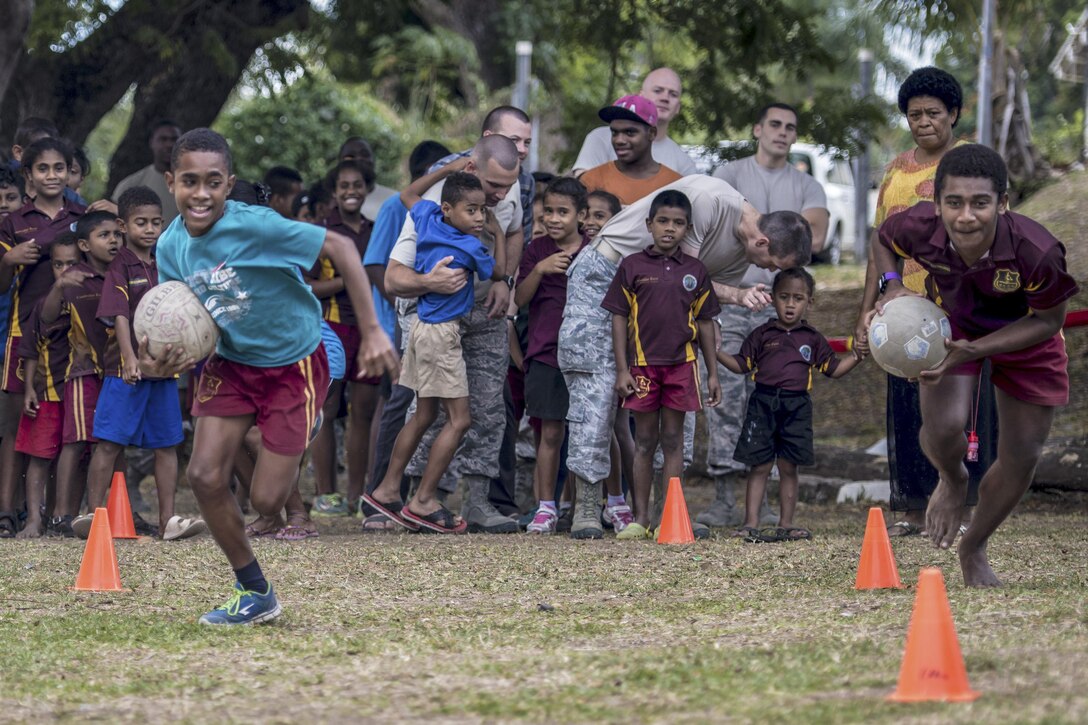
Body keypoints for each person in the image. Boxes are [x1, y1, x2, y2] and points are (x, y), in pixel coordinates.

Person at [142, 128, 396, 625]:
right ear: (170, 182)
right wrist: (163, 360)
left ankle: (308, 420)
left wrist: (371, 331)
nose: (201, 194)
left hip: (292, 363)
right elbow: (184, 320)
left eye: (213, 182)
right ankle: (254, 590)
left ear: (228, 183)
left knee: (266, 500)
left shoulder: (256, 225)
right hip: (232, 362)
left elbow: (343, 248)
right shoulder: (169, 247)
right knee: (205, 474)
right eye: (189, 181)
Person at [558, 175, 811, 540]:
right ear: (762, 240)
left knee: (680, 405)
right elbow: (680, 276)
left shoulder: (743, 250)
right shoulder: (709, 201)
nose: (768, 271)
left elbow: (697, 299)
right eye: (771, 263)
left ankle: (670, 509)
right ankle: (585, 505)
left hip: (665, 314)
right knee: (596, 394)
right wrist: (739, 296)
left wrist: (713, 334)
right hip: (607, 273)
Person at [869, 144, 1077, 587]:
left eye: (981, 203)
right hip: (952, 328)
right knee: (943, 429)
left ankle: (974, 545)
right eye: (955, 202)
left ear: (1002, 203)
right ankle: (951, 478)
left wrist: (978, 350)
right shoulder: (919, 227)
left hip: (1026, 336)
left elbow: (1049, 321)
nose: (966, 216)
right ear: (938, 201)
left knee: (1022, 456)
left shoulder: (1037, 251)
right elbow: (883, 238)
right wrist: (889, 287)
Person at [852, 66, 994, 538]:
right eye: (914, 114)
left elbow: (996, 234)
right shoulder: (894, 169)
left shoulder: (973, 163)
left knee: (962, 411)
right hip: (903, 313)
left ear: (953, 113)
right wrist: (868, 308)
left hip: (961, 310)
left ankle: (967, 505)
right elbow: (880, 244)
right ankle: (913, 509)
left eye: (933, 112)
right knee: (909, 407)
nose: (924, 122)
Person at [697, 102, 830, 529]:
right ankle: (723, 496)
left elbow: (817, 235)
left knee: (778, 400)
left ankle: (768, 501)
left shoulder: (808, 184)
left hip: (781, 306)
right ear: (757, 128)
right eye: (774, 124)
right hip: (733, 299)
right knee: (725, 397)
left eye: (790, 127)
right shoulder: (730, 175)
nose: (782, 132)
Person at [382, 135, 524, 534]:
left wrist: (506, 282)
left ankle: (467, 501)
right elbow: (393, 278)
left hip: (479, 316)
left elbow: (514, 233)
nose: (499, 196)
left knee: (482, 408)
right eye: (492, 186)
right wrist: (430, 280)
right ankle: (423, 498)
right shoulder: (436, 216)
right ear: (471, 168)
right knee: (439, 414)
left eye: (508, 186)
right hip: (435, 322)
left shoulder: (499, 197)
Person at [87, 186, 206, 541]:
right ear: (123, 226)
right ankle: (94, 517)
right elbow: (119, 315)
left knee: (167, 444)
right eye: (141, 223)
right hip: (126, 373)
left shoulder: (166, 262)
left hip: (164, 373)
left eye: (156, 222)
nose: (149, 229)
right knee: (109, 443)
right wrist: (128, 358)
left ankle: (167, 520)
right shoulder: (120, 265)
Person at [603, 190, 722, 539]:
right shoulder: (632, 266)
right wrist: (622, 369)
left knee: (673, 441)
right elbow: (618, 319)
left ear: (687, 229)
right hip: (641, 367)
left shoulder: (696, 270)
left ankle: (670, 517)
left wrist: (712, 372)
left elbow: (705, 324)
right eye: (663, 221)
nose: (670, 229)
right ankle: (640, 519)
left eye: (678, 223)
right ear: (649, 224)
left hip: (682, 367)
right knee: (644, 441)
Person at [717, 267, 862, 542]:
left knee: (788, 466)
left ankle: (786, 523)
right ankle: (750, 523)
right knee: (759, 465)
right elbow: (741, 364)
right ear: (773, 298)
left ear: (810, 301)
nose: (791, 304)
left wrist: (858, 356)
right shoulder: (762, 334)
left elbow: (833, 369)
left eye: (798, 298)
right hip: (762, 404)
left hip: (796, 408)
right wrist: (715, 352)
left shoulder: (812, 338)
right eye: (784, 297)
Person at [0, 137, 85, 538]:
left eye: (59, 168)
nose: (52, 175)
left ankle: (56, 513)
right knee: (19, 425)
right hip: (25, 335)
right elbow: (1, 285)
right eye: (43, 169)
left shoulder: (82, 216)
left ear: (70, 172)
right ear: (29, 175)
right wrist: (7, 260)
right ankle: (7, 510)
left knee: (66, 426)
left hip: (76, 337)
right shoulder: (14, 221)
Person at [515, 177, 602, 535]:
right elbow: (519, 300)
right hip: (546, 352)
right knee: (549, 433)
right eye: (548, 211)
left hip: (588, 355)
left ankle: (587, 505)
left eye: (562, 212)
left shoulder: (597, 251)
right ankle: (545, 507)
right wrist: (540, 269)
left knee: (590, 433)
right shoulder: (536, 251)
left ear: (581, 216)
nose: (553, 219)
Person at [308, 160, 380, 517]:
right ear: (334, 192)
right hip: (331, 328)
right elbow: (306, 286)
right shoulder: (321, 231)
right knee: (326, 410)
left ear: (367, 188)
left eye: (357, 185)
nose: (351, 191)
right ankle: (326, 494)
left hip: (370, 329)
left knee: (363, 412)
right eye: (343, 186)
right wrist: (351, 279)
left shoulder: (375, 229)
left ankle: (356, 495)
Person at [12, 235, 81, 537]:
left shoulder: (93, 299)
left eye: (72, 264)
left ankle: (64, 517)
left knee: (75, 453)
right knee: (39, 457)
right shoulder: (45, 304)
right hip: (47, 393)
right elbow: (28, 350)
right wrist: (28, 389)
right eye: (58, 264)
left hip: (80, 392)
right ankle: (33, 521)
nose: (65, 271)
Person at [429, 106, 536, 243]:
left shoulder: (525, 181)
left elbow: (519, 235)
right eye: (514, 140)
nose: (522, 150)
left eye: (527, 143)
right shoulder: (445, 170)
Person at [572, 68, 697, 177]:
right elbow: (582, 187)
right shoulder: (600, 138)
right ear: (641, 96)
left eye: (673, 94)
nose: (665, 98)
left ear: (678, 107)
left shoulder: (684, 163)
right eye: (658, 90)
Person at [578, 95, 683, 206]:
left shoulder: (675, 184)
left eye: (629, 132)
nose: (619, 140)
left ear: (652, 133)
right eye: (614, 133)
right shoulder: (591, 181)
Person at [111, 119, 181, 223]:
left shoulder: (194, 181)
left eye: (174, 139)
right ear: (151, 142)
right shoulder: (132, 184)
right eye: (163, 139)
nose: (169, 145)